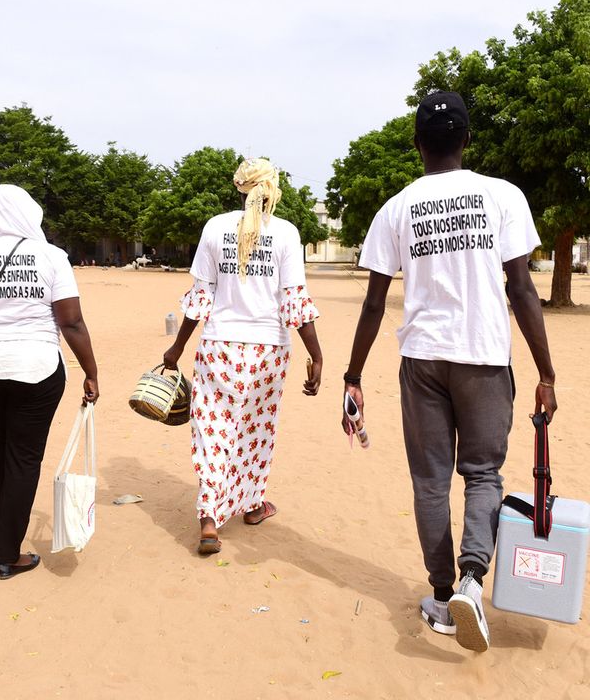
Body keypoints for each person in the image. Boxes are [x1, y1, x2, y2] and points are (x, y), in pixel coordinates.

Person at [341, 92, 557, 652]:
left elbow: (372, 305)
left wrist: (353, 374)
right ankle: (470, 580)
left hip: (423, 359)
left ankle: (440, 598)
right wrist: (547, 373)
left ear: (417, 145)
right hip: (484, 355)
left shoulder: (396, 208)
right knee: (483, 475)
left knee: (430, 481)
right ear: (466, 140)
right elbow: (522, 288)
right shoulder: (502, 196)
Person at [164, 158, 323, 555]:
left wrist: (177, 346)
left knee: (213, 431)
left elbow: (202, 298)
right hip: (268, 350)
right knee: (254, 433)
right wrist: (316, 355)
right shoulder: (286, 233)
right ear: (272, 188)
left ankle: (209, 519)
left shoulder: (215, 227)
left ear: (239, 186)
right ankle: (252, 506)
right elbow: (294, 302)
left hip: (219, 346)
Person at [0, 184, 99, 580]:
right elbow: (71, 320)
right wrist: (92, 371)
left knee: (7, 445)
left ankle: (5, 536)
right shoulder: (51, 256)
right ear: (29, 214)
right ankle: (7, 555)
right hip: (35, 369)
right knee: (24, 457)